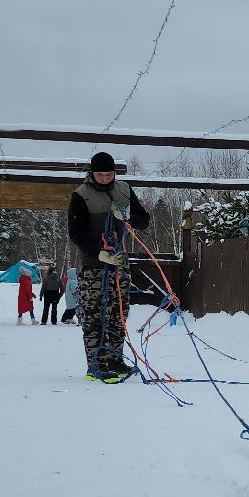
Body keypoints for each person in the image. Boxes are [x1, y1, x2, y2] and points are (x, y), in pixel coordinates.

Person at [67, 152, 150, 382]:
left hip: (120, 264)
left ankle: (114, 359)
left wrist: (128, 216)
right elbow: (76, 233)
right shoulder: (81, 195)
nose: (104, 178)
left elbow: (144, 220)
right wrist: (99, 252)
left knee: (118, 313)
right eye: (100, 174)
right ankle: (96, 365)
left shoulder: (123, 190)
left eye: (108, 174)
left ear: (115, 172)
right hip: (94, 265)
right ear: (92, 173)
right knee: (95, 314)